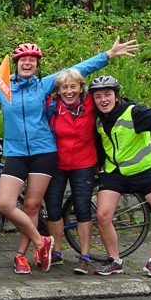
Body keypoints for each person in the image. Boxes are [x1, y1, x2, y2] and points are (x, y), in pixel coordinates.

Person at [0, 38, 138, 274]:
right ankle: (41, 241)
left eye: (32, 60)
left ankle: (21, 255)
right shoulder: (2, 88)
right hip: (16, 152)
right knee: (5, 203)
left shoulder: (45, 85)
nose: (27, 63)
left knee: (33, 205)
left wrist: (108, 54)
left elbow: (79, 70)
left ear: (37, 65)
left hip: (44, 152)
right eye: (22, 60)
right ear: (15, 64)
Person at [88, 76, 151, 278]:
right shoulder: (98, 120)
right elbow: (100, 146)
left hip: (145, 171)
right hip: (116, 173)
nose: (103, 100)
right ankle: (114, 260)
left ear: (116, 95)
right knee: (102, 216)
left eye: (107, 94)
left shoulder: (135, 113)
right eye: (98, 96)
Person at [42, 69, 98, 275]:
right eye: (64, 87)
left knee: (82, 208)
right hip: (56, 163)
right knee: (53, 208)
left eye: (73, 86)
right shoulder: (51, 105)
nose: (69, 91)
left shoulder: (90, 103)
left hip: (84, 163)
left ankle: (84, 256)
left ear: (81, 88)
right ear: (58, 90)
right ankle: (57, 252)